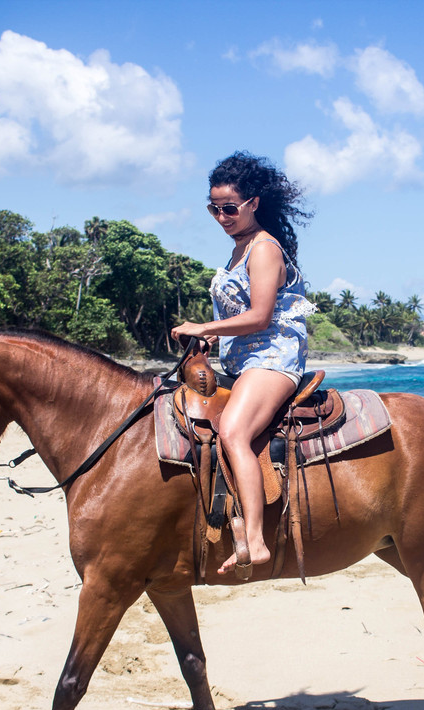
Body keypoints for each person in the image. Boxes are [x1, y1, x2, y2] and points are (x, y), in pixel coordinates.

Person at [171, 152, 316, 576]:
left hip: (273, 358)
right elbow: (241, 319)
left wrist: (204, 323)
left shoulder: (264, 247)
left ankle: (255, 539)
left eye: (229, 208)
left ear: (253, 203)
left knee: (233, 430)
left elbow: (261, 316)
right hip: (242, 357)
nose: (221, 216)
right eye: (213, 208)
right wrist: (213, 334)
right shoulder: (238, 249)